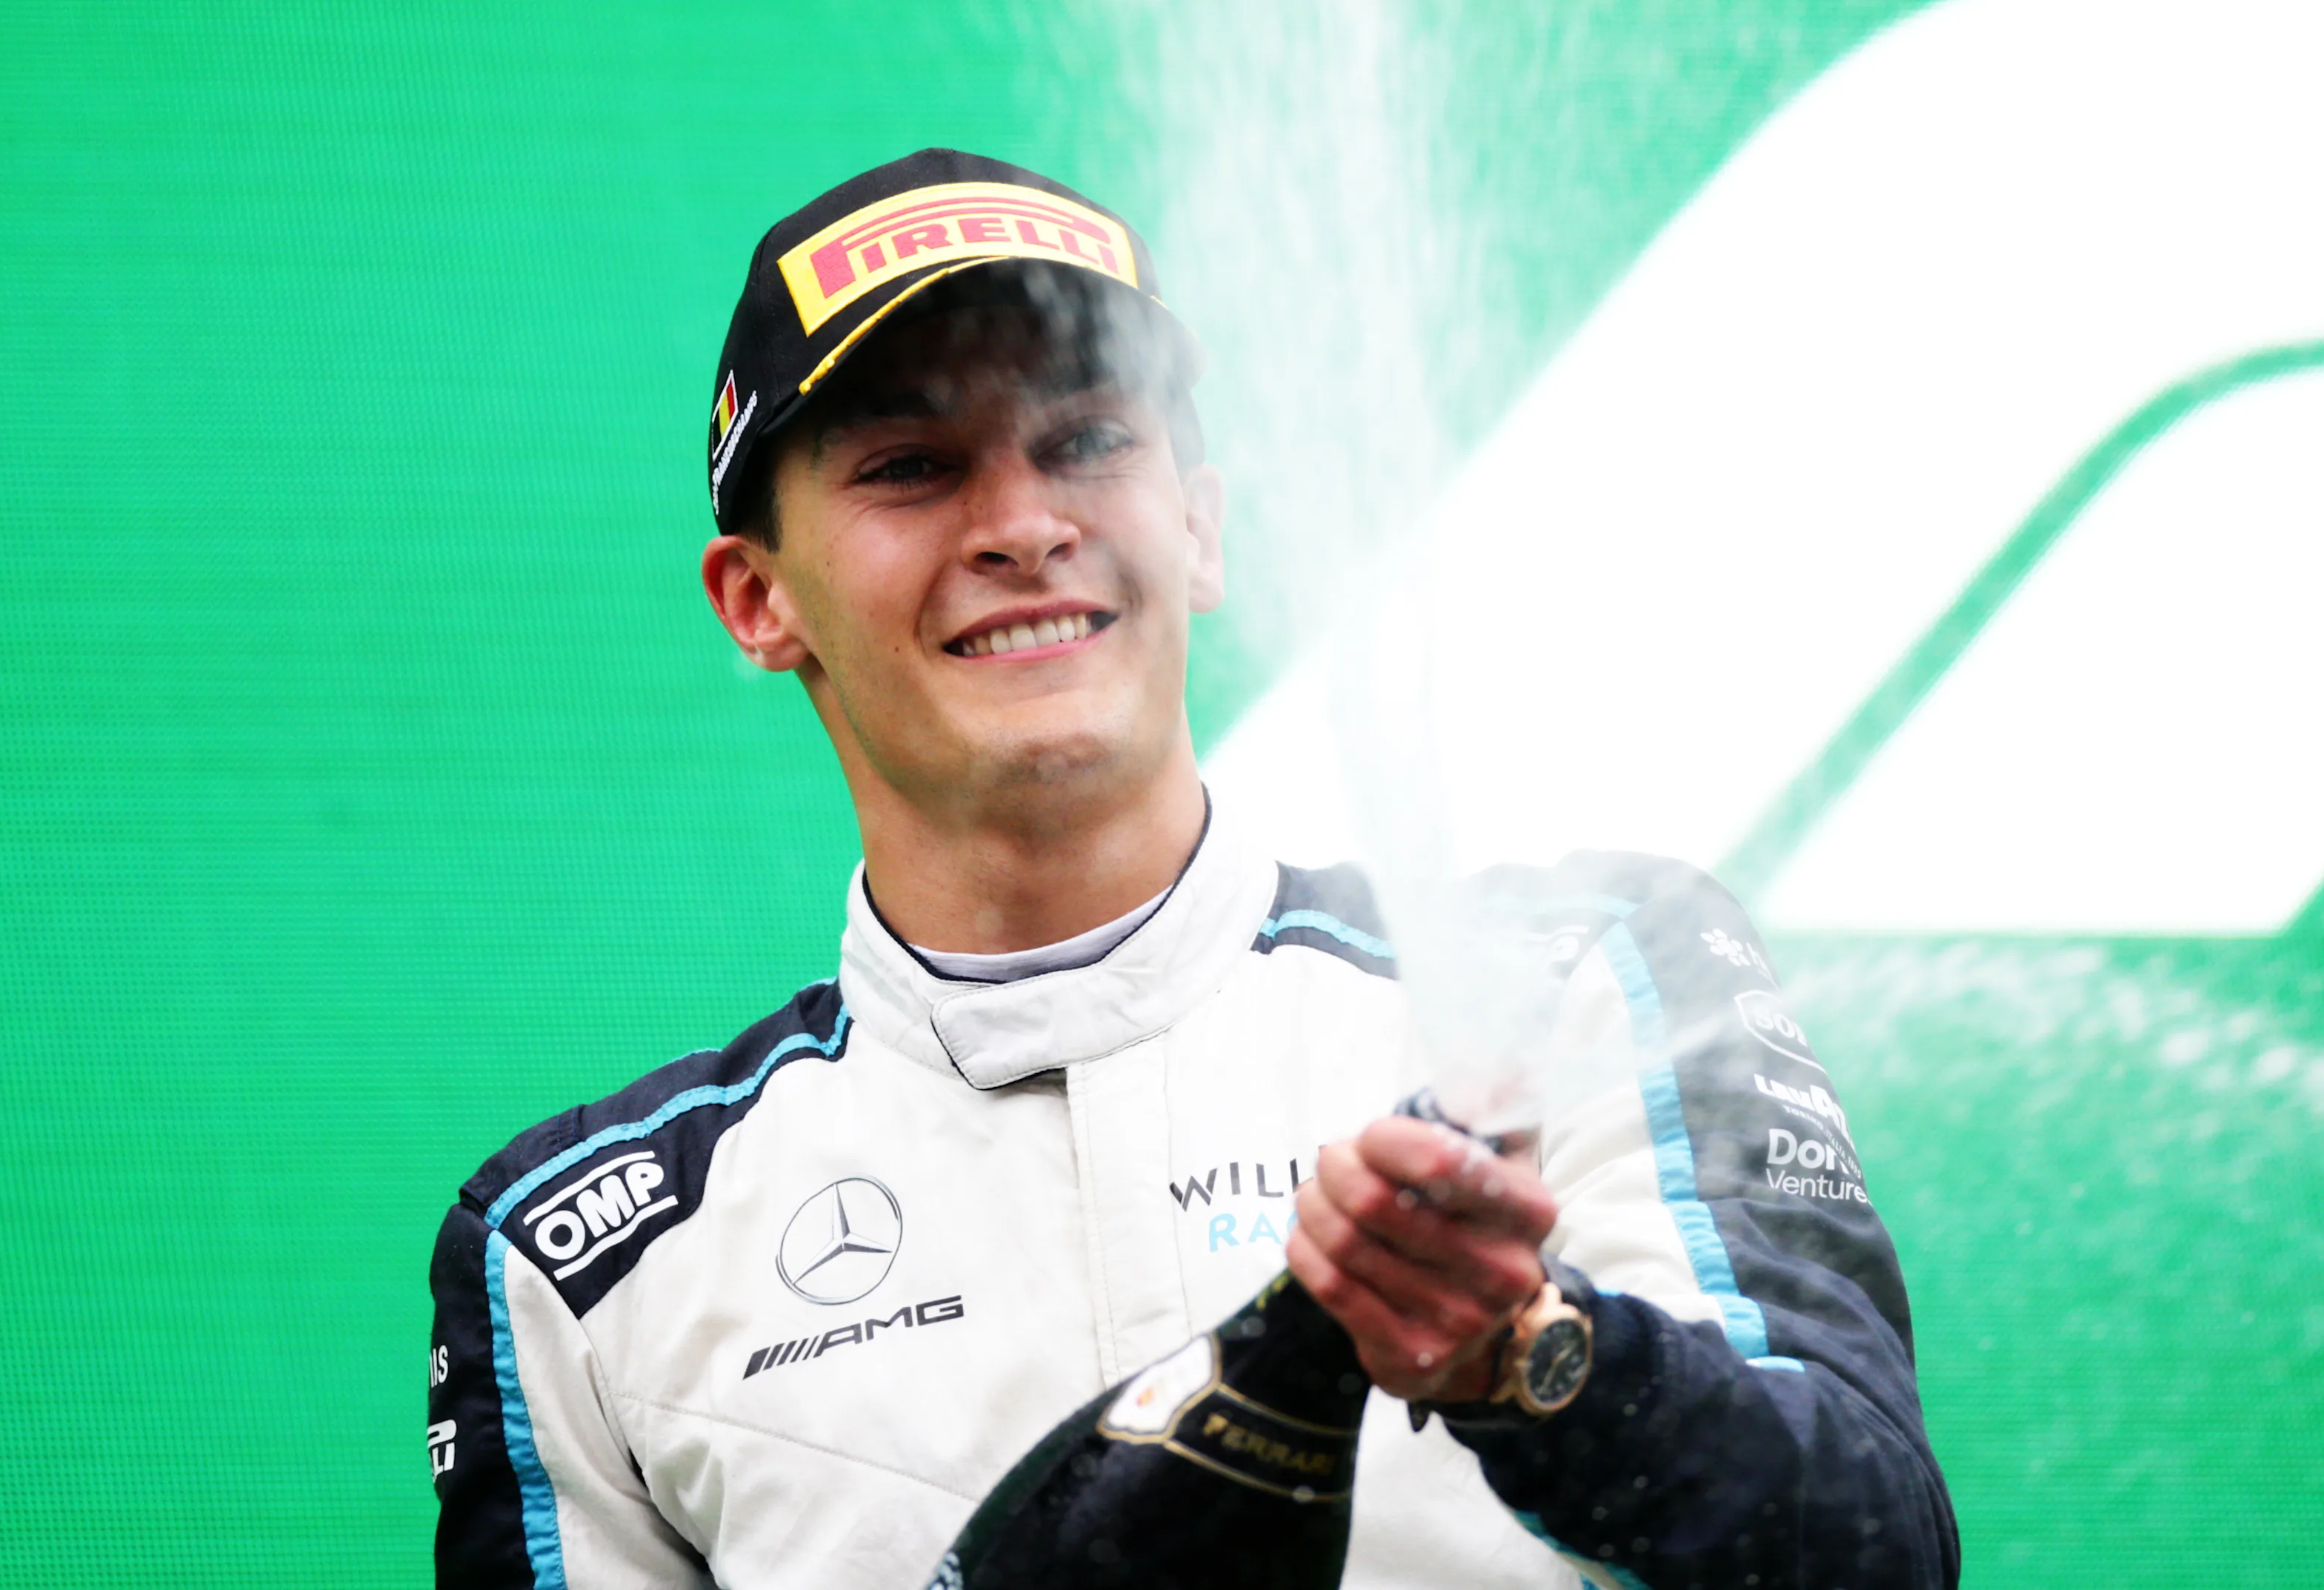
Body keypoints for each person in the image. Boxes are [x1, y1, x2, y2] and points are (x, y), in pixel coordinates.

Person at [425, 148, 1959, 1590]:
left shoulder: (1580, 974)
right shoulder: (589, 1256)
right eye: (910, 465)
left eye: (1088, 440)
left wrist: (1528, 1360)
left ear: (1201, 527)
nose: (1024, 523)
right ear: (758, 597)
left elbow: (1872, 1542)